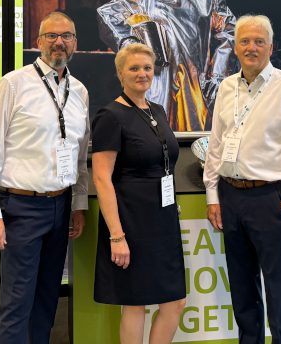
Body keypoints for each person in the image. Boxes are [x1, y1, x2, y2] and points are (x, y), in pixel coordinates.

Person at [203, 15, 281, 344]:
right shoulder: (226, 87)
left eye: (259, 42)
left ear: (271, 48)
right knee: (242, 287)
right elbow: (216, 145)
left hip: (268, 198)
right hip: (231, 197)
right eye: (245, 41)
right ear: (235, 48)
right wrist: (213, 196)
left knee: (279, 288)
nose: (251, 47)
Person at [0, 11, 90, 344]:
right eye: (52, 35)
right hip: (21, 208)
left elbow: (79, 155)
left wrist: (78, 204)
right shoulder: (13, 85)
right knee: (16, 301)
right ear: (38, 42)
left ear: (75, 43)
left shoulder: (79, 91)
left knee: (47, 297)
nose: (59, 42)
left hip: (61, 206)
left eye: (66, 36)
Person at [91, 43, 186, 344]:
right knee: (135, 304)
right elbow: (101, 178)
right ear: (120, 73)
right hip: (131, 222)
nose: (142, 73)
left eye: (147, 67)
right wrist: (116, 236)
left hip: (162, 221)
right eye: (134, 68)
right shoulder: (110, 115)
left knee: (175, 302)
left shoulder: (157, 110)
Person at [97, 0, 237, 131]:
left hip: (196, 88)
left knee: (194, 141)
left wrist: (217, 77)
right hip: (154, 84)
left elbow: (230, 32)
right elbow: (108, 14)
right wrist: (129, 45)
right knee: (153, 137)